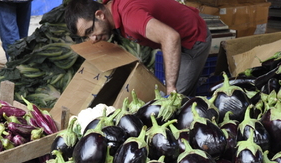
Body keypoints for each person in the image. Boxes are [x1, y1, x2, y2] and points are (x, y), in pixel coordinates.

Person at [64, 0, 211, 97]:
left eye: (90, 31)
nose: (93, 39)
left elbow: (171, 38)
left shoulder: (130, 16)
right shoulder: (109, 8)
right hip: (172, 40)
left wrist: (171, 86)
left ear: (100, 15)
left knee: (176, 99)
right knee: (170, 93)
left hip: (192, 39)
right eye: (87, 36)